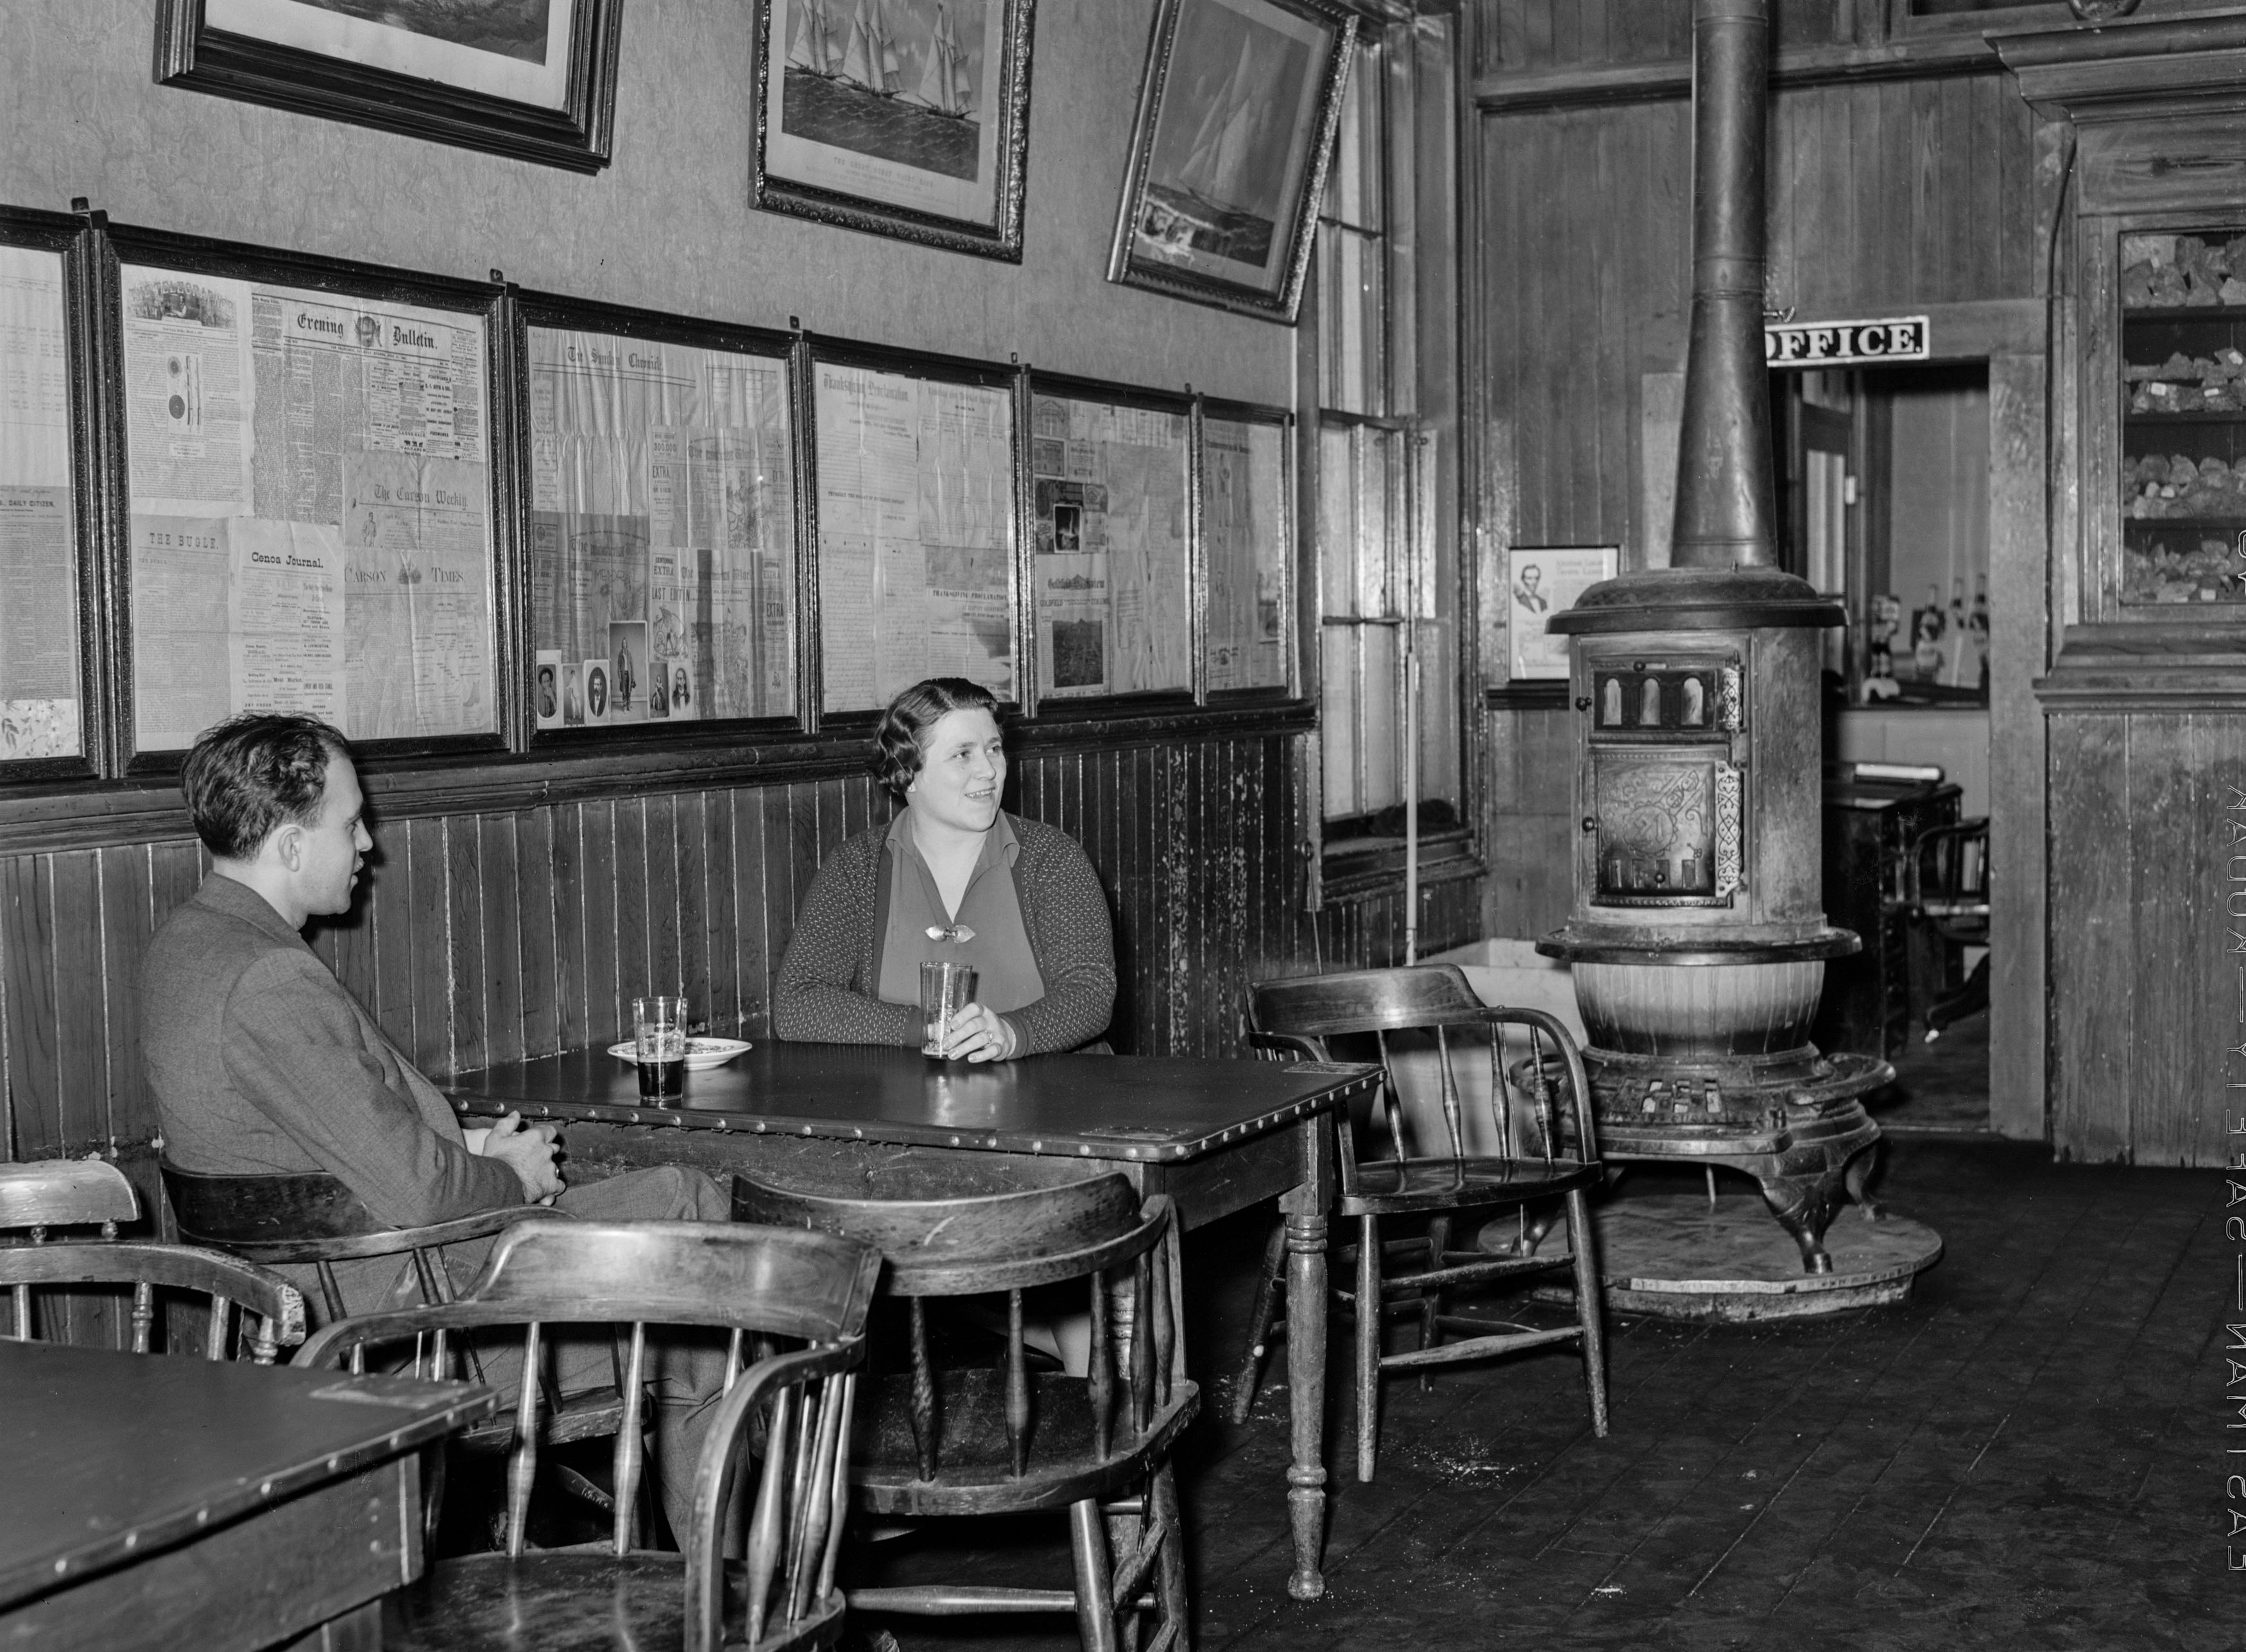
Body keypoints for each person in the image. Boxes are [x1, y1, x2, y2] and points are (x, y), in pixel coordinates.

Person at [141, 712, 728, 1531]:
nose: (369, 845)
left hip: (311, 1295)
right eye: (350, 825)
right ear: (288, 845)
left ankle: (698, 1561)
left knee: (679, 1251)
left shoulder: (188, 944)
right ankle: (724, 1579)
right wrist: (511, 1175)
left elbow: (315, 1143)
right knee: (690, 1211)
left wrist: (468, 1144)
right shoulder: (269, 977)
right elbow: (417, 1193)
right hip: (402, 1327)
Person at [773, 676, 1113, 1060]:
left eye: (994, 749)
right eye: (963, 754)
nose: (989, 770)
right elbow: (797, 1004)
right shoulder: (857, 869)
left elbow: (1091, 992)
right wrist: (928, 1029)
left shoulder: (1052, 858)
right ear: (908, 774)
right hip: (911, 1111)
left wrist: (1012, 1034)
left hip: (1051, 1104)